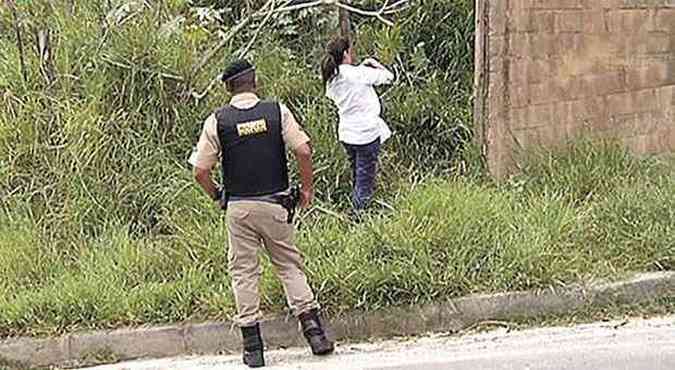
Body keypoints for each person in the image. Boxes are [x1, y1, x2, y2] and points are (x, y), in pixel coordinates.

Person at [189, 59, 334, 368]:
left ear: (228, 87)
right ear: (255, 81)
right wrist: (306, 190)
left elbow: (200, 171)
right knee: (288, 266)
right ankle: (315, 334)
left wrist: (218, 195)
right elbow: (304, 150)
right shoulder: (276, 111)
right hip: (275, 204)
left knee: (243, 272)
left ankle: (253, 348)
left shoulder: (218, 120)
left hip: (239, 208)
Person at [321, 37, 394, 212]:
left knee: (358, 173)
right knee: (365, 181)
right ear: (345, 53)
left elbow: (350, 78)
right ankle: (359, 218)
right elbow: (389, 77)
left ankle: (356, 205)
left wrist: (361, 68)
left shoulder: (332, 78)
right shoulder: (358, 74)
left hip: (347, 134)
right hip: (366, 134)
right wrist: (375, 64)